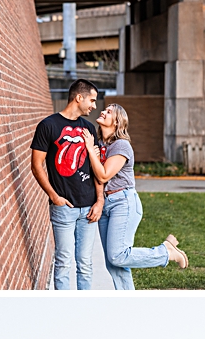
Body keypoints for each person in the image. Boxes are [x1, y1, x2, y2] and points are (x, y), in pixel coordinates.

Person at [83, 104, 189, 289]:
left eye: (108, 112)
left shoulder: (121, 145)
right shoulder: (102, 145)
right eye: (105, 109)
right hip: (107, 205)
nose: (102, 112)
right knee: (113, 264)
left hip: (123, 203)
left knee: (118, 255)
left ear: (117, 122)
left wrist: (90, 151)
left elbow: (104, 175)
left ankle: (165, 252)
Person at [30, 80, 103, 289]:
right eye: (92, 100)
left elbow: (97, 170)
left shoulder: (89, 129)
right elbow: (36, 166)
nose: (94, 106)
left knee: (86, 264)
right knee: (63, 262)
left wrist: (99, 201)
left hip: (89, 208)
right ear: (79, 98)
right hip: (64, 208)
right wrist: (54, 197)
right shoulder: (48, 125)